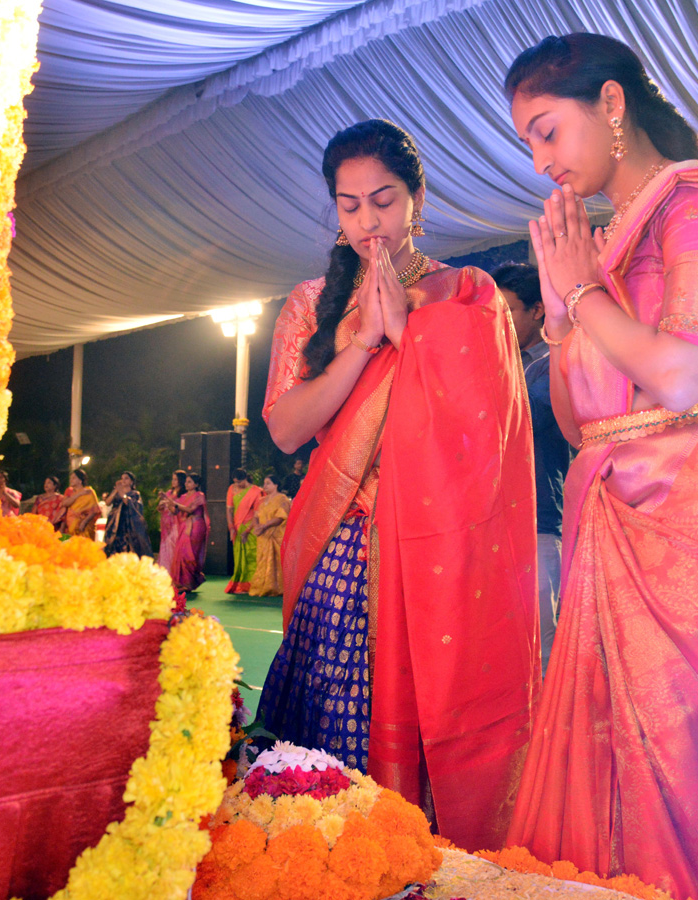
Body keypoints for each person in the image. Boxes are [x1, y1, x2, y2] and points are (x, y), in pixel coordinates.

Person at [499, 34, 698, 900]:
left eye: (548, 131)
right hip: (617, 506)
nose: (541, 159)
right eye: (529, 143)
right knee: (620, 760)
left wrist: (582, 293)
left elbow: (682, 374)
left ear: (613, 104)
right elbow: (584, 419)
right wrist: (559, 314)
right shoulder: (605, 237)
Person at [255, 119, 540, 852]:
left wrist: (414, 330)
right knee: (328, 740)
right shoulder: (311, 303)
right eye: (349, 206)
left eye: (382, 201)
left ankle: (419, 858)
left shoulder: (465, 294)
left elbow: (483, 433)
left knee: (431, 717)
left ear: (417, 197)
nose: (367, 222)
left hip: (435, 550)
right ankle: (327, 859)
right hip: (339, 542)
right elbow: (287, 429)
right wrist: (362, 339)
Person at [492, 262, 572, 674]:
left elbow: (529, 415)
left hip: (539, 524)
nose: (499, 324)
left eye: (508, 312)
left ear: (539, 310)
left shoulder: (556, 363)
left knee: (542, 650)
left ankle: (547, 737)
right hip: (490, 523)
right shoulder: (502, 360)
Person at [246, 473, 290, 597]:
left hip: (276, 535)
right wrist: (257, 527)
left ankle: (278, 588)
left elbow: (281, 517)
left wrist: (264, 526)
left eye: (268, 483)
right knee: (262, 561)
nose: (265, 486)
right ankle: (262, 586)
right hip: (263, 536)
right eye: (264, 483)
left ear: (276, 485)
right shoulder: (261, 500)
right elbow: (255, 516)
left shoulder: (282, 499)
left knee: (277, 561)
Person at [225, 468, 264, 593]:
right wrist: (231, 527)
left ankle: (252, 584)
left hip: (250, 527)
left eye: (239, 482)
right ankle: (240, 584)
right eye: (235, 482)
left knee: (251, 555)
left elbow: (258, 514)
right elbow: (229, 510)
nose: (237, 485)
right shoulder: (232, 489)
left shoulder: (257, 491)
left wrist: (247, 530)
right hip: (237, 527)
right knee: (238, 556)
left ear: (245, 478)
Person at [168, 473, 209, 591]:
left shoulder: (199, 495)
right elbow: (175, 512)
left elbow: (190, 509)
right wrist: (169, 503)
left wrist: (175, 504)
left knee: (189, 554)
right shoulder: (183, 496)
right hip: (184, 526)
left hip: (196, 526)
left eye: (190, 482)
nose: (186, 484)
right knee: (180, 553)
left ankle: (189, 583)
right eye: (186, 482)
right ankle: (182, 583)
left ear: (196, 484)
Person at [103, 471, 152, 557]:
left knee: (128, 546)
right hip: (116, 524)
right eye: (122, 478)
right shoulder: (117, 492)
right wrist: (115, 491)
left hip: (129, 524)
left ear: (131, 482)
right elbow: (107, 502)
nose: (123, 480)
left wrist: (121, 491)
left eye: (126, 478)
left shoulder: (135, 494)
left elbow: (129, 503)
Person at [156, 469, 185, 573]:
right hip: (165, 523)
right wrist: (160, 505)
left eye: (176, 480)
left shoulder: (182, 495)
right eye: (173, 479)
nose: (173, 482)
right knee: (164, 548)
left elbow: (175, 510)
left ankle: (175, 574)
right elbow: (160, 509)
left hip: (176, 524)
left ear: (181, 481)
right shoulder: (169, 492)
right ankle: (164, 573)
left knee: (173, 547)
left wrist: (167, 501)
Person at [59, 468, 100, 540]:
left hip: (85, 526)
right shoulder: (69, 491)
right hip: (71, 525)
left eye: (74, 478)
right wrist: (79, 494)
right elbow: (65, 503)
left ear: (80, 481)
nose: (71, 480)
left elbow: (94, 510)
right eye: (70, 478)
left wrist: (84, 522)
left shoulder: (89, 492)